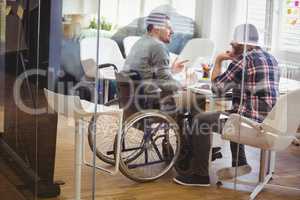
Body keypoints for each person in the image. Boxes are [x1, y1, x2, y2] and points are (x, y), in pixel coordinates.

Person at [173, 24, 280, 186]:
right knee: (235, 111)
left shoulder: (242, 60)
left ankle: (200, 176)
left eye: (233, 44)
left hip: (250, 126)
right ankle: (239, 162)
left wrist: (219, 60)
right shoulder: (271, 58)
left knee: (202, 120)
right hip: (270, 123)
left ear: (240, 44)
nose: (231, 47)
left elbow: (217, 88)